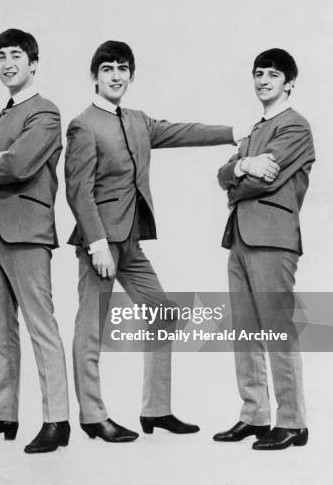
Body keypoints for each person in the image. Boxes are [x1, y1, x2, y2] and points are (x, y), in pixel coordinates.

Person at [65, 40, 241, 442]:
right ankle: (93, 416)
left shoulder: (138, 120)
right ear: (95, 77)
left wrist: (233, 133)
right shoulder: (83, 124)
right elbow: (78, 191)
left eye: (122, 68)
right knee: (91, 327)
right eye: (107, 68)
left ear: (131, 75)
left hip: (131, 243)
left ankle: (156, 410)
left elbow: (181, 131)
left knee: (162, 312)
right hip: (100, 245)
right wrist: (97, 245)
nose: (115, 75)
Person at [0, 29, 70, 454]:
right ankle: (2, 413)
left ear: (34, 63)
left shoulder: (45, 113)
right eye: (1, 56)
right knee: (0, 332)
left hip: (27, 231)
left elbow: (20, 165)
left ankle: (58, 420)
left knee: (42, 326)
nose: (8, 63)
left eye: (16, 56)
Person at [213, 48, 314, 450]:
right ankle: (254, 415)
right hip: (238, 237)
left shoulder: (295, 127)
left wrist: (241, 173)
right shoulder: (255, 130)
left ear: (288, 82)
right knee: (244, 331)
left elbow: (265, 181)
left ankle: (292, 421)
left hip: (273, 239)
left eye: (272, 74)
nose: (263, 80)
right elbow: (224, 174)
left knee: (277, 329)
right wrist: (240, 166)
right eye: (258, 73)